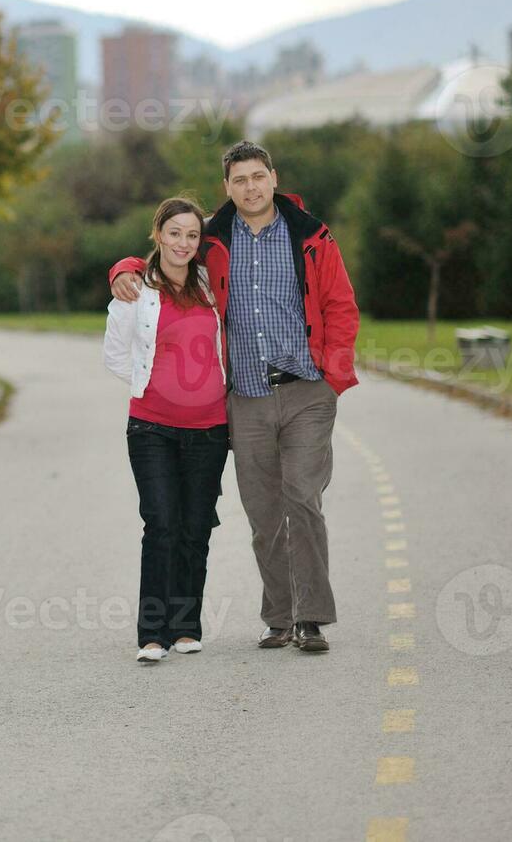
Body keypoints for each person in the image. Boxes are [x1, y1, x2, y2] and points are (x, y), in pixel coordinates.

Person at [108, 141, 359, 653]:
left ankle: (310, 616)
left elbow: (340, 304)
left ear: (273, 177)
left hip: (307, 390)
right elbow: (167, 246)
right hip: (243, 398)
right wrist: (123, 270)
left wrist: (332, 376)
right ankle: (278, 617)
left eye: (258, 176)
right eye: (239, 179)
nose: (250, 187)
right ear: (227, 187)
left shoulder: (310, 235)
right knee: (264, 509)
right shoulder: (213, 236)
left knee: (302, 497)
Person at [103, 197, 230, 663]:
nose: (183, 242)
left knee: (196, 527)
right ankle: (152, 633)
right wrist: (155, 388)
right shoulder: (137, 290)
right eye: (174, 232)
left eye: (192, 235)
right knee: (161, 523)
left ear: (200, 242)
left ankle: (185, 627)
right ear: (158, 234)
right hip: (151, 427)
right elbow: (115, 355)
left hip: (212, 428)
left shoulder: (211, 284)